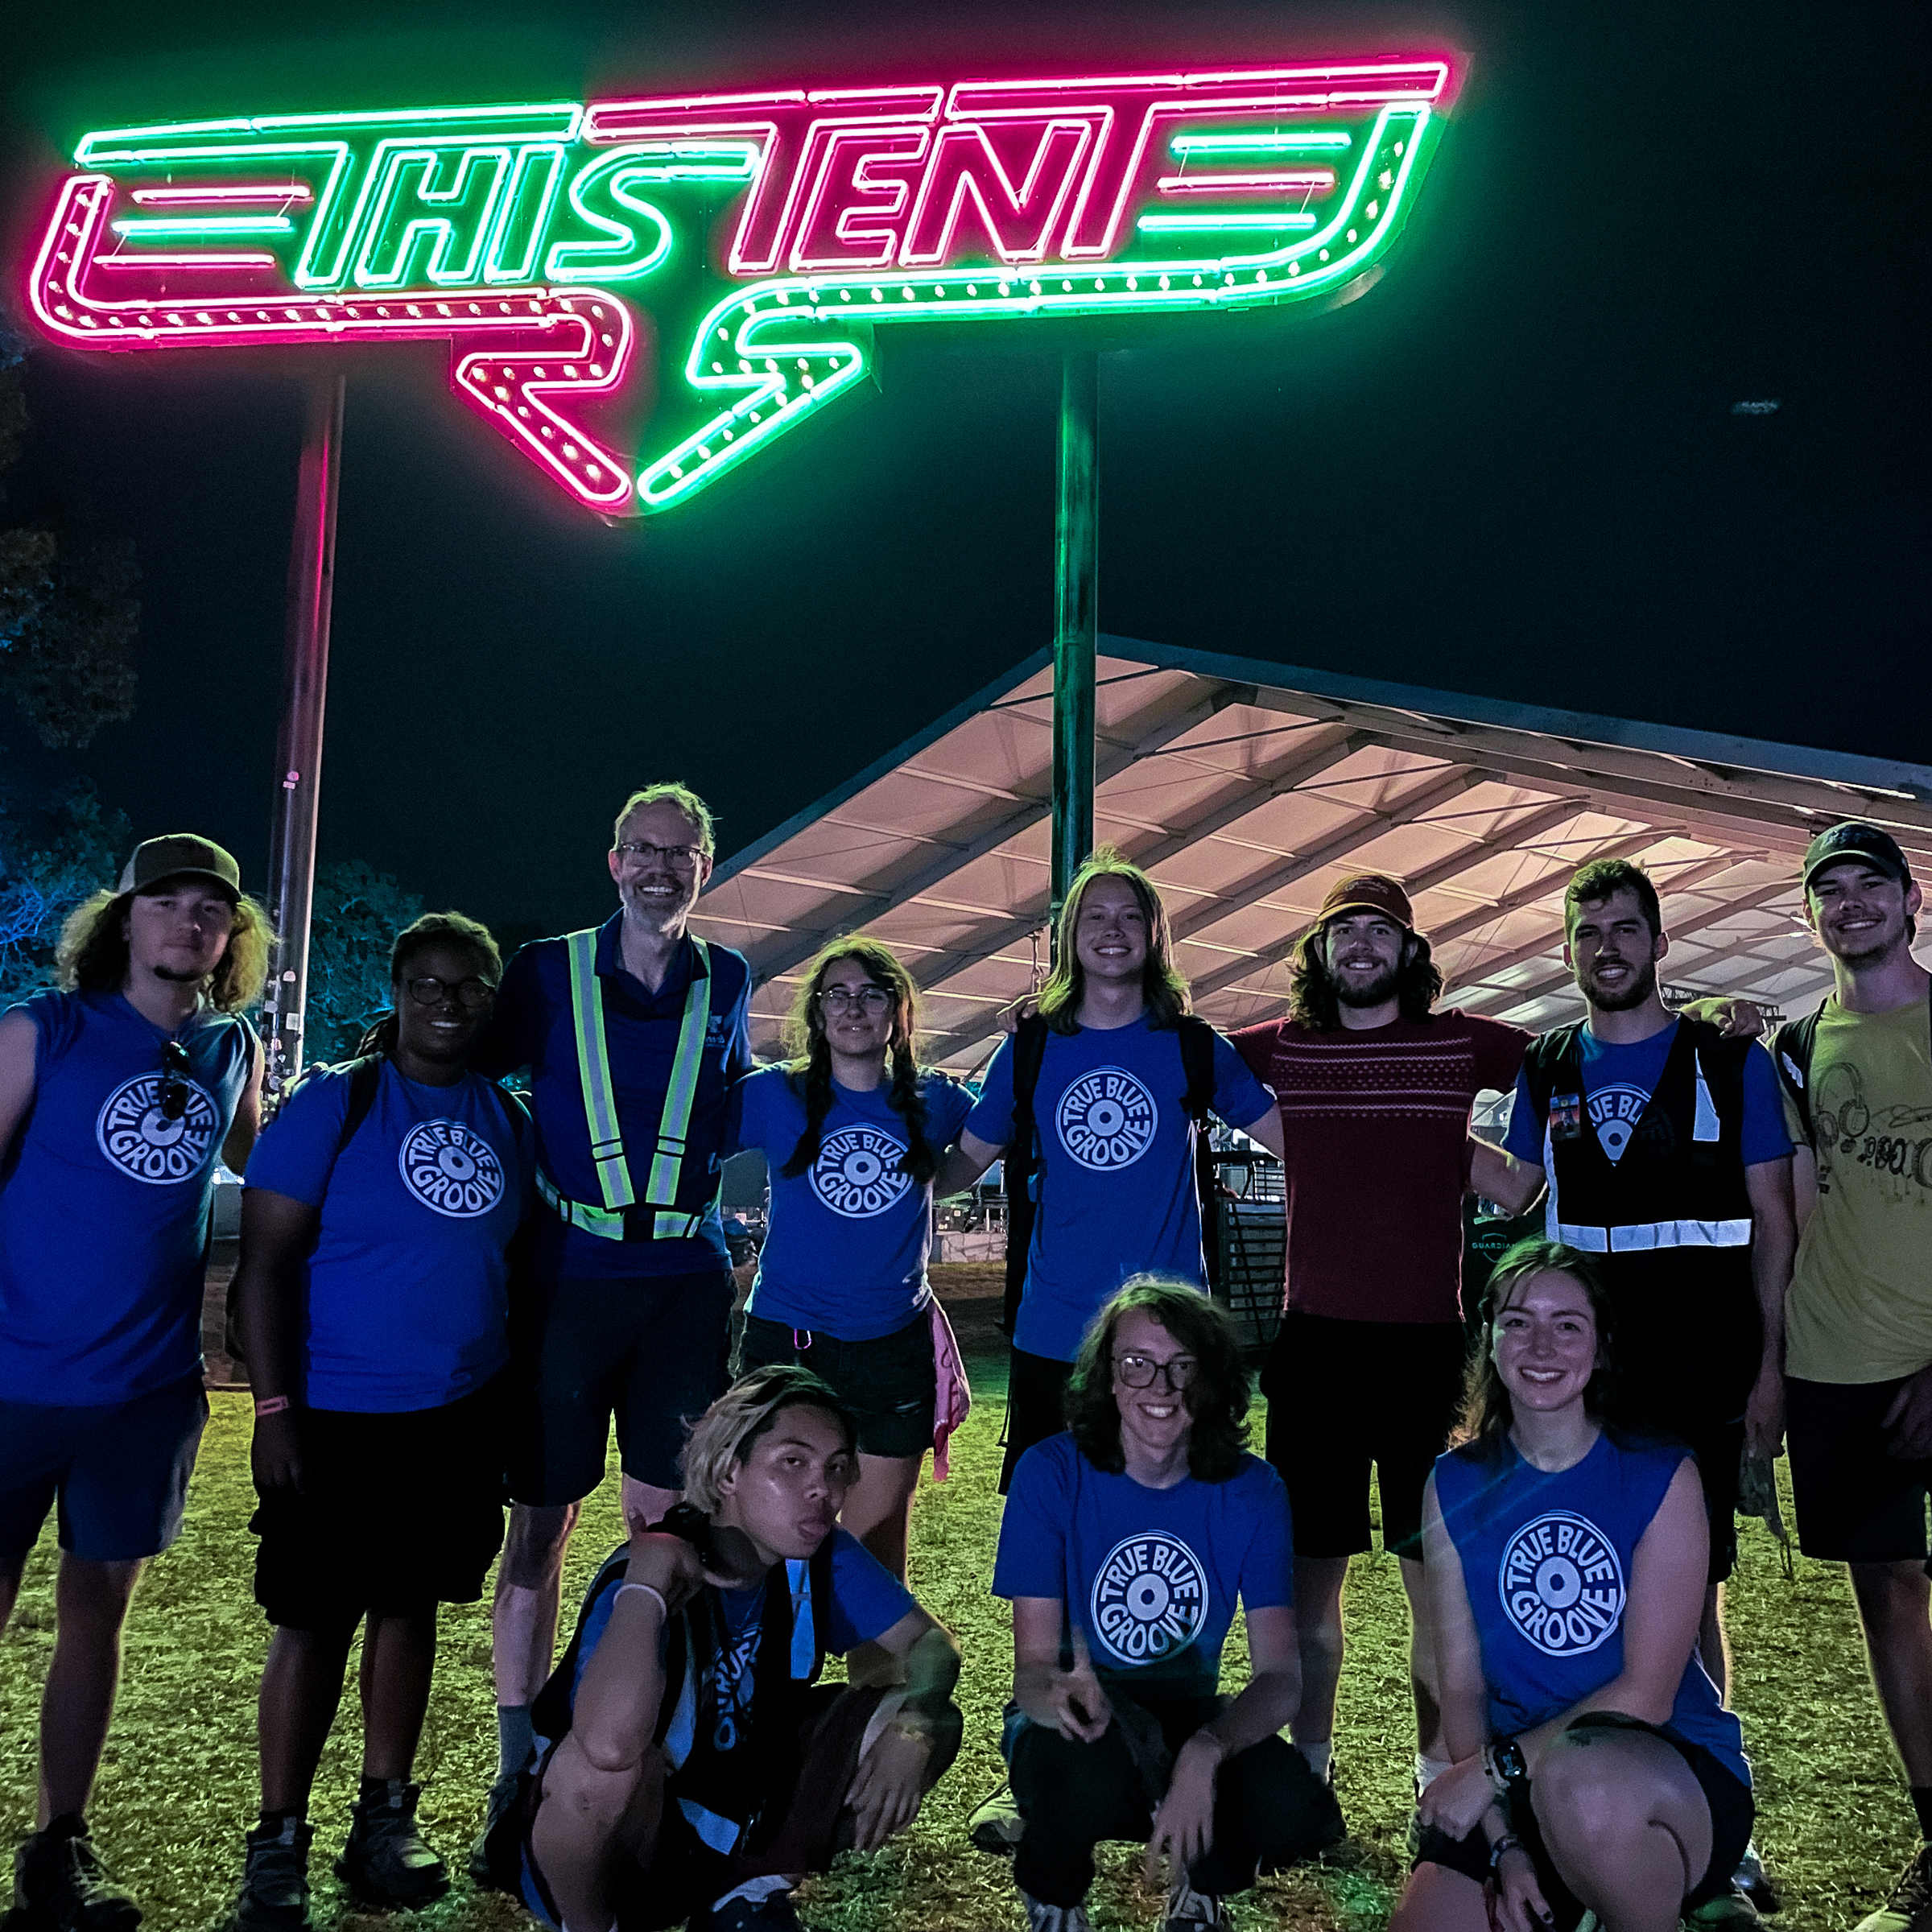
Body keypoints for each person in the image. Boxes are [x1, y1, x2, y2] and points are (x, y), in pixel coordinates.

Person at [1475, 859, 1791, 1910]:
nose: (1605, 946)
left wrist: (1770, 1373)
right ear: (1568, 952)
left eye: (1623, 928)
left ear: (1658, 942)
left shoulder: (1724, 1059)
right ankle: (1579, 1795)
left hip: (1700, 1383)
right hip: (1582, 1388)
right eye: (1587, 931)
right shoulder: (1549, 1065)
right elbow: (1516, 1186)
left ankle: (1715, 1817)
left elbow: (1774, 1229)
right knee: (1575, 1584)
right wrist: (1404, 1110)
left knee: (1688, 1604)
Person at [225, 912, 534, 1928]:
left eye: (469, 986)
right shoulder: (336, 1106)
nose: (448, 1002)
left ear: (491, 1000)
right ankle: (277, 1839)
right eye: (430, 983)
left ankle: (384, 1819)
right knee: (312, 1621)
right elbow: (264, 1265)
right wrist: (273, 1410)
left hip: (451, 1419)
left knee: (410, 1610)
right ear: (398, 993)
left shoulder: (508, 1119)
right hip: (333, 1411)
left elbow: (516, 1268)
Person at [470, 784, 754, 1862]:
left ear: (704, 869)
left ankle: (641, 1748)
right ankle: (515, 1763)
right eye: (642, 849)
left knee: (663, 1532)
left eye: (679, 853)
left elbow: (743, 1114)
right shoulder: (544, 970)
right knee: (539, 1527)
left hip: (683, 1280)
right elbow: (467, 1076)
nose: (659, 867)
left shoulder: (727, 975)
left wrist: (754, 1235)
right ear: (612, 860)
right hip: (569, 1280)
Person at [0, 834, 266, 1931]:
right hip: (13, 1380)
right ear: (125, 917)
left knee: (94, 1618)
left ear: (229, 937)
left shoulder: (232, 1045)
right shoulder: (42, 1030)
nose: (190, 923)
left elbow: (263, 1174)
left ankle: (60, 1844)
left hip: (146, 1391)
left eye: (212, 909)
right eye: (169, 902)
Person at [1228, 873, 1533, 1802]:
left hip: (1428, 1354)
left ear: (1410, 951)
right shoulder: (1279, 1049)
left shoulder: (1461, 1042)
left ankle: (1441, 1781)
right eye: (1342, 932)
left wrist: (1718, 1023)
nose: (1361, 945)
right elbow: (1168, 1050)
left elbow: (1588, 1053)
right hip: (1314, 1349)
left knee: (1436, 1587)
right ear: (1317, 954)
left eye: (1380, 931)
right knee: (1308, 1589)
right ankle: (1307, 1778)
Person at [484, 1364, 963, 1932]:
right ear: (729, 1471)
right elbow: (608, 1749)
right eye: (793, 1462)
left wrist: (915, 1728)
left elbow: (933, 1645)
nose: (823, 1489)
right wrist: (646, 1586)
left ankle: (748, 1889)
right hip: (633, 1830)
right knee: (597, 1777)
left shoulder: (818, 1554)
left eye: (836, 1468)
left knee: (930, 1716)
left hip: (738, 1804)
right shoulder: (652, 1569)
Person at [1394, 1238, 1755, 1932]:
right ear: (1491, 1340)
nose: (1542, 1345)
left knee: (1580, 1783)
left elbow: (1645, 1697)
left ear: (1601, 1346)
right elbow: (1462, 1686)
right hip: (1517, 1781)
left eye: (1568, 1325)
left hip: (1658, 1778)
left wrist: (1492, 1772)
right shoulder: (1454, 1482)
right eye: (1519, 1321)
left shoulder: (1662, 1475)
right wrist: (1502, 1843)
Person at [992, 1277, 1342, 1932]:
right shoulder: (1051, 1473)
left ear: (1211, 1381)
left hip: (1189, 1712)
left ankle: (1201, 1883)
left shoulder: (1253, 1491)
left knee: (1290, 1806)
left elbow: (1280, 1675)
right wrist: (1061, 1699)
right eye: (1137, 1365)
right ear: (1108, 1377)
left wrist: (1209, 1747)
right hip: (1078, 1712)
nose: (1160, 1387)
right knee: (1078, 1762)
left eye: (1183, 1367)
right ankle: (1056, 1896)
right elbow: (1033, 1668)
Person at [939, 848, 1283, 1491]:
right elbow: (964, 1161)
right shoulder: (1030, 1049)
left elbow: (1299, 1143)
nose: (1113, 929)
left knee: (1171, 1512)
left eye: (1131, 916)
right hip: (1055, 1328)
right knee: (1057, 1519)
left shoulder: (1193, 1046)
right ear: (1070, 937)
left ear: (1156, 936)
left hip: (1171, 1333)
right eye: (1094, 916)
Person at [1765, 823, 1932, 1932]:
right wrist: (1774, 1369)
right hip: (1835, 1364)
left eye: (1871, 882)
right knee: (1887, 1598)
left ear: (1913, 901)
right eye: (1830, 889)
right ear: (1811, 916)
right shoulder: (1790, 1046)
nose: (1850, 902)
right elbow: (1791, 1209)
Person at [726, 936, 975, 1579]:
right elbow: (680, 1143)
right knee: (767, 1540)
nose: (854, 1008)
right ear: (817, 1013)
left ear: (898, 1012)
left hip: (893, 1345)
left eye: (872, 994)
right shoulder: (772, 1094)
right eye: (837, 994)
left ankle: (877, 1679)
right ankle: (772, 1678)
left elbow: (984, 1150)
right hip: (789, 1339)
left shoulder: (934, 1101)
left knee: (876, 1546)